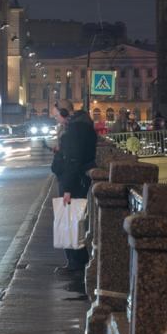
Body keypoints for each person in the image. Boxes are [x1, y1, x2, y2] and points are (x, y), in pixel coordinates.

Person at [51, 101, 98, 274]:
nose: (57, 120)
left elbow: (73, 160)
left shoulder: (74, 131)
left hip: (72, 182)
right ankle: (77, 261)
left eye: (57, 116)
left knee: (69, 223)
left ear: (65, 112)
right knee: (73, 221)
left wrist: (68, 188)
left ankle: (75, 263)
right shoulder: (82, 127)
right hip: (78, 180)